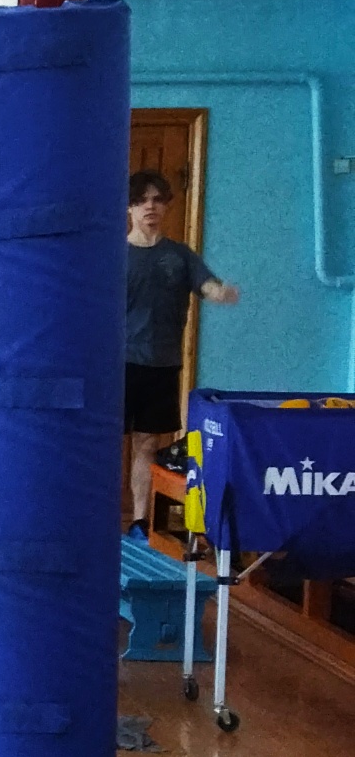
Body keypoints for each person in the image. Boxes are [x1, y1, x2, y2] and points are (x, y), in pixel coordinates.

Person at [124, 171, 238, 528]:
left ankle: (139, 521)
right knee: (102, 443)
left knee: (147, 443)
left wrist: (220, 293)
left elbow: (207, 285)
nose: (150, 206)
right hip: (117, 365)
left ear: (166, 207)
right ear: (130, 207)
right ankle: (96, 519)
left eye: (157, 200)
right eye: (142, 200)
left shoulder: (179, 255)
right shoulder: (113, 255)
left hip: (162, 365)